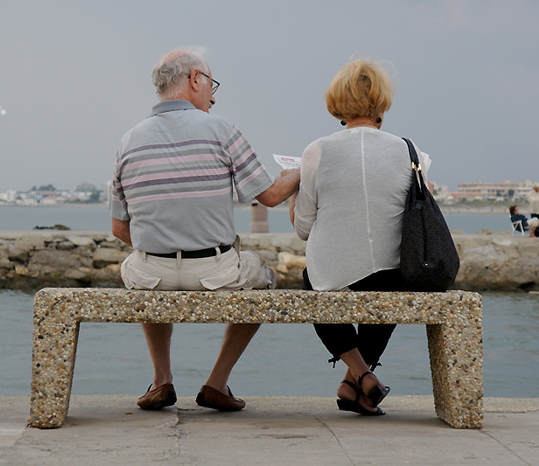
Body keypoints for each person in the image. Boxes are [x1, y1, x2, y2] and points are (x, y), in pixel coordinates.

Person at [110, 49, 300, 412]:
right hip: (216, 271)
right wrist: (304, 169)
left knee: (141, 270)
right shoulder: (221, 128)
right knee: (266, 277)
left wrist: (159, 247)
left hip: (151, 271)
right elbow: (272, 196)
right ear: (195, 79)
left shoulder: (127, 140)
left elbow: (120, 228)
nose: (213, 96)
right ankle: (217, 383)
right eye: (211, 84)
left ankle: (161, 380)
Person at [289, 58, 430, 416]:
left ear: (338, 101)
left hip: (331, 274)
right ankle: (360, 382)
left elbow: (304, 230)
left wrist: (294, 196)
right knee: (393, 283)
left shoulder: (316, 151)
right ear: (381, 102)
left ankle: (358, 376)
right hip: (394, 273)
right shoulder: (413, 154)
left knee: (313, 284)